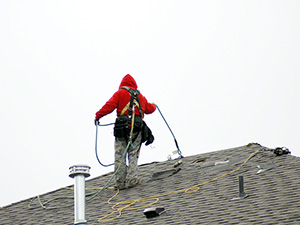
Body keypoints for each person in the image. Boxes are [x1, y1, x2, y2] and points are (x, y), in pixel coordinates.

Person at [95, 74, 156, 189]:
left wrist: (98, 116)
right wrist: (154, 106)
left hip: (122, 130)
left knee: (120, 155)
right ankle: (132, 180)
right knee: (133, 154)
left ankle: (120, 183)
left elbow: (109, 106)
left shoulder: (120, 94)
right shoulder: (140, 97)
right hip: (137, 130)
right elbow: (149, 109)